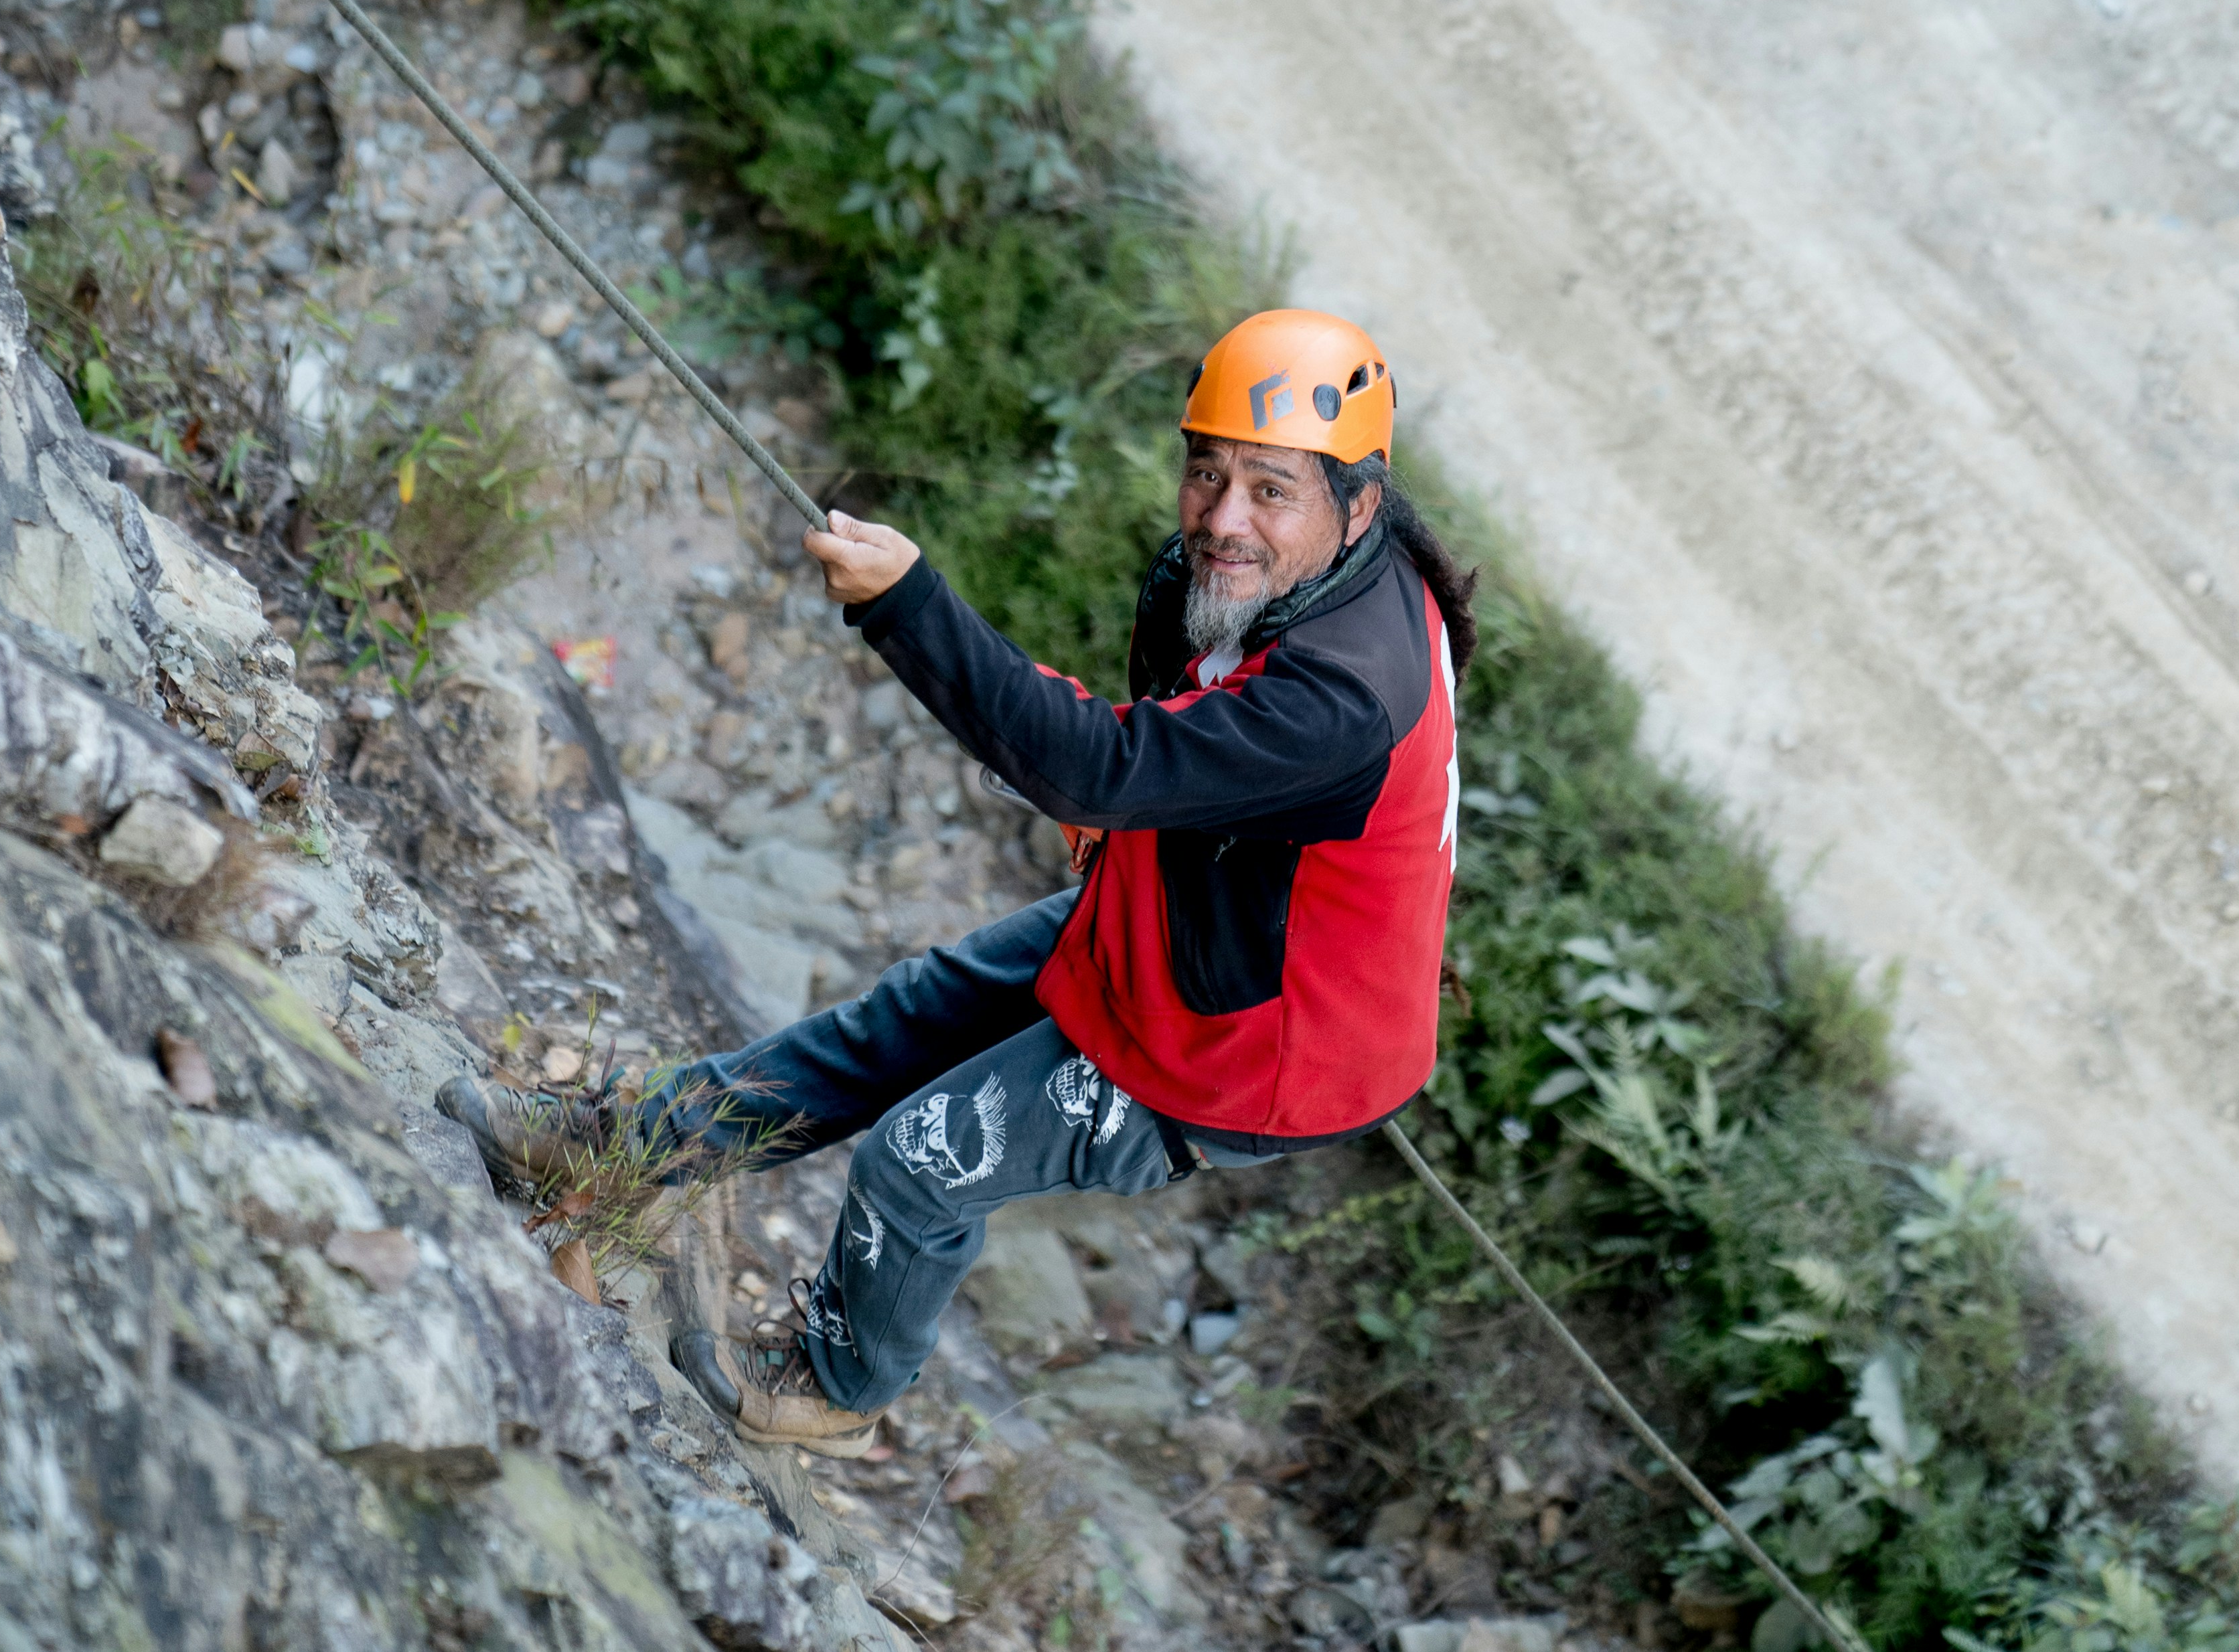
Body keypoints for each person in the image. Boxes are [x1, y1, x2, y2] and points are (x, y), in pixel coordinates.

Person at [438, 309, 1477, 1456]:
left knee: (921, 1158)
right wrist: (1104, 795)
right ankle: (622, 1142)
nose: (1223, 519)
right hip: (1198, 925)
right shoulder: (1282, 581)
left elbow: (1099, 764)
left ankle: (841, 1386)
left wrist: (909, 606)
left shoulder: (1343, 693)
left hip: (1254, 1050)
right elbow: (1142, 761)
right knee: (905, 1019)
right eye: (1207, 472)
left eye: (1271, 489)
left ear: (1360, 504)